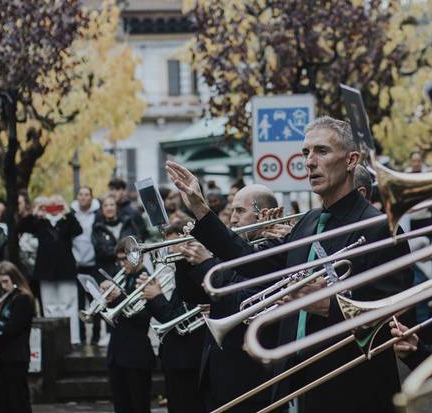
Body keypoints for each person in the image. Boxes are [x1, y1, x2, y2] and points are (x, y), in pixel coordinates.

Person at [167, 115, 413, 413]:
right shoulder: (307, 223)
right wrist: (200, 209)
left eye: (321, 151)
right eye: (305, 152)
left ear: (351, 160)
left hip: (351, 390)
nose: (309, 162)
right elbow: (252, 263)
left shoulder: (379, 228)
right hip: (294, 384)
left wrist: (327, 305)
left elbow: (394, 316)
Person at [173, 184, 289, 412]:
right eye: (232, 211)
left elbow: (238, 304)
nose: (232, 218)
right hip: (217, 376)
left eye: (239, 211)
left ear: (262, 213)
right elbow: (192, 296)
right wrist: (184, 258)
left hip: (250, 380)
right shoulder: (233, 252)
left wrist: (206, 264)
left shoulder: (272, 254)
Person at [139, 223, 206, 413]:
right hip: (174, 357)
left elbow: (178, 318)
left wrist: (156, 297)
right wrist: (151, 296)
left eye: (174, 243)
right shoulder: (177, 272)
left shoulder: (195, 274)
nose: (168, 249)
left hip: (188, 359)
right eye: (167, 244)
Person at [18, 195, 82, 345]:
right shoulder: (40, 222)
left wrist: (67, 212)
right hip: (46, 270)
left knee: (69, 304)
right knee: (49, 305)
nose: (53, 208)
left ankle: (73, 338)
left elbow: (78, 230)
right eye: (51, 205)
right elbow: (21, 226)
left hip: (65, 269)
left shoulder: (67, 221)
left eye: (57, 205)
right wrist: (35, 212)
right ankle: (53, 338)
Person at [101, 238, 155, 413]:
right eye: (119, 260)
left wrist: (119, 297)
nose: (122, 264)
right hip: (116, 353)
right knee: (121, 406)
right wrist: (106, 300)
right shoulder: (123, 278)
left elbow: (143, 318)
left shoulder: (147, 279)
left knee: (138, 405)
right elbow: (116, 317)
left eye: (125, 259)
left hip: (136, 355)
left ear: (137, 257)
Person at [0, 261, 36, 413]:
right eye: (0, 283)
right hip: (3, 355)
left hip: (16, 357)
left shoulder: (23, 299)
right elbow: (1, 325)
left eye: (6, 282)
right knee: (4, 401)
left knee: (18, 400)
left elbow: (12, 328)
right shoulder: (7, 299)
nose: (4, 286)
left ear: (15, 279)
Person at [71, 186, 102, 345]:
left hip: (93, 263)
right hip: (77, 263)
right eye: (80, 195)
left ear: (91, 197)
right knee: (78, 302)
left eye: (86, 195)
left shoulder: (97, 214)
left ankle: (96, 336)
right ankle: (81, 337)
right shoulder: (71, 214)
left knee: (95, 300)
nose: (83, 197)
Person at [92, 195, 142, 280]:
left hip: (130, 271)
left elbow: (136, 241)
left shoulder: (128, 222)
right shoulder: (98, 228)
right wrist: (123, 251)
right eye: (106, 205)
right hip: (108, 273)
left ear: (117, 207)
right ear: (101, 209)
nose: (109, 208)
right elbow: (100, 251)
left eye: (112, 205)